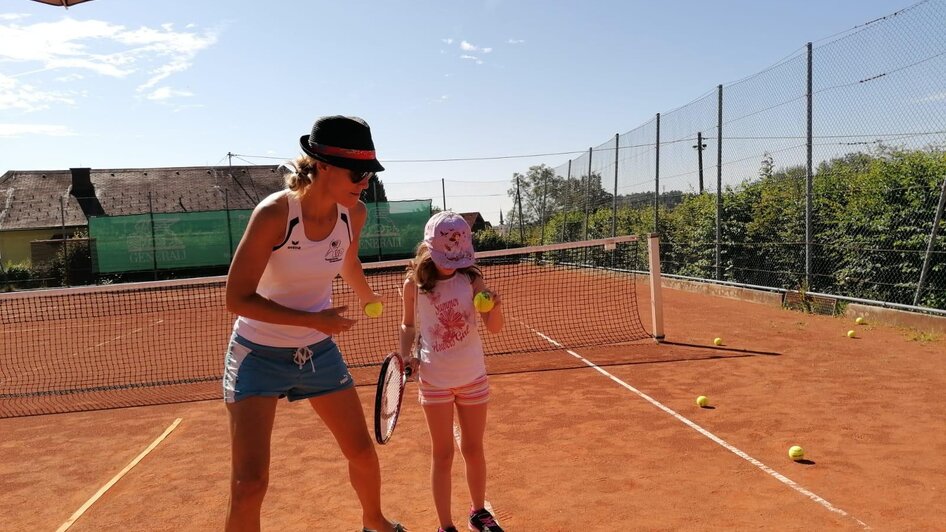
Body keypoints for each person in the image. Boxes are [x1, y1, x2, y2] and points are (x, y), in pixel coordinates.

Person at [223, 115, 404, 532]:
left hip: (317, 351)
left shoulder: (353, 215)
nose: (365, 182)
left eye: (370, 174)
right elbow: (237, 299)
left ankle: (374, 522)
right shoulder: (274, 214)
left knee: (361, 452)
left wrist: (367, 296)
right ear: (322, 165)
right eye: (357, 173)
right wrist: (314, 319)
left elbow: (347, 259)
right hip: (257, 354)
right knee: (249, 483)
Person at [399, 211, 505, 532]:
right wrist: (408, 354)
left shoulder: (471, 279)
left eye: (456, 256)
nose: (451, 262)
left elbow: (495, 328)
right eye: (445, 256)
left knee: (474, 449)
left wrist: (495, 306)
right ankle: (445, 525)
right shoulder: (413, 284)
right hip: (435, 382)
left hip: (473, 377)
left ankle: (478, 513)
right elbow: (408, 324)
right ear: (428, 248)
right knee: (442, 455)